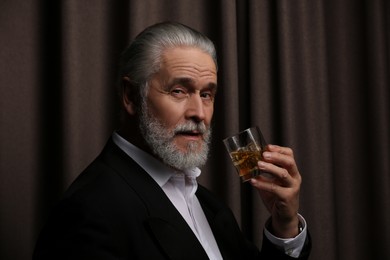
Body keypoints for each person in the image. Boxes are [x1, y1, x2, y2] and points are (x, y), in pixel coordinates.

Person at [33, 21, 311, 260]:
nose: (199, 114)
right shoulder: (88, 211)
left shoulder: (209, 205)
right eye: (179, 91)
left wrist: (284, 225)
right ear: (131, 97)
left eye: (206, 94)